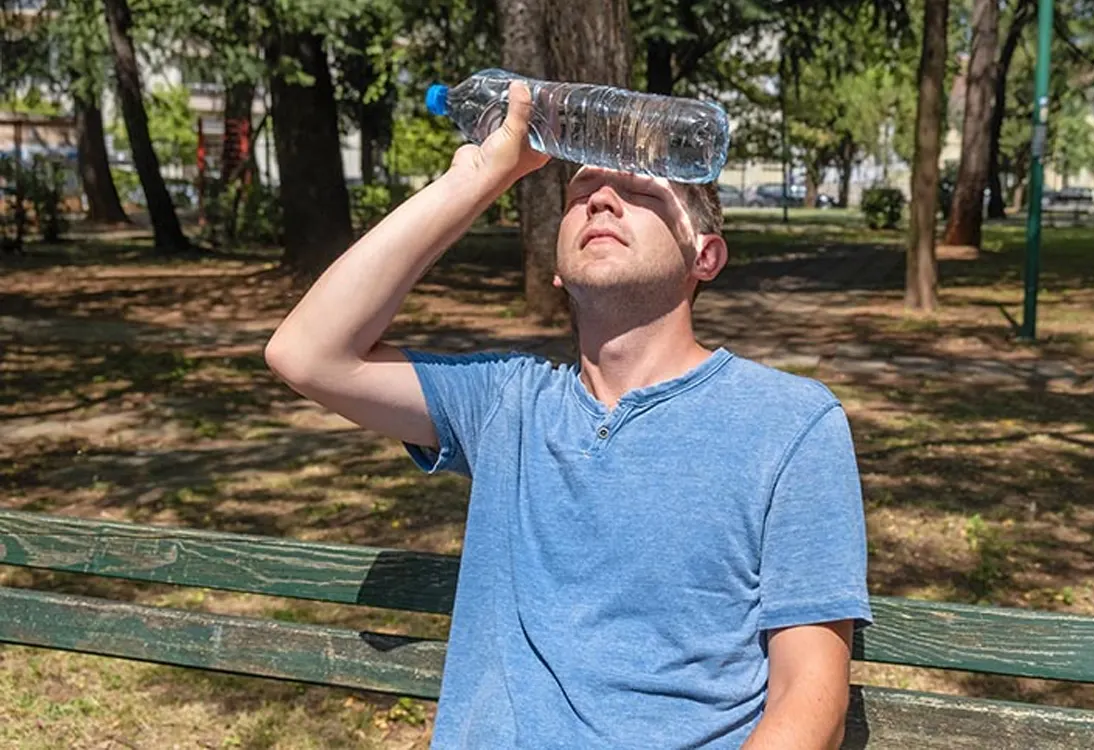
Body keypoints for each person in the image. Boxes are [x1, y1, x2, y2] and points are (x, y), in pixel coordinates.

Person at [265, 82, 871, 750]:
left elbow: (808, 698)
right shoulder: (507, 405)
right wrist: (474, 179)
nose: (602, 198)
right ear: (558, 269)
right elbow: (307, 354)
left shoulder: (789, 424)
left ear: (706, 256)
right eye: (580, 194)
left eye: (640, 192)